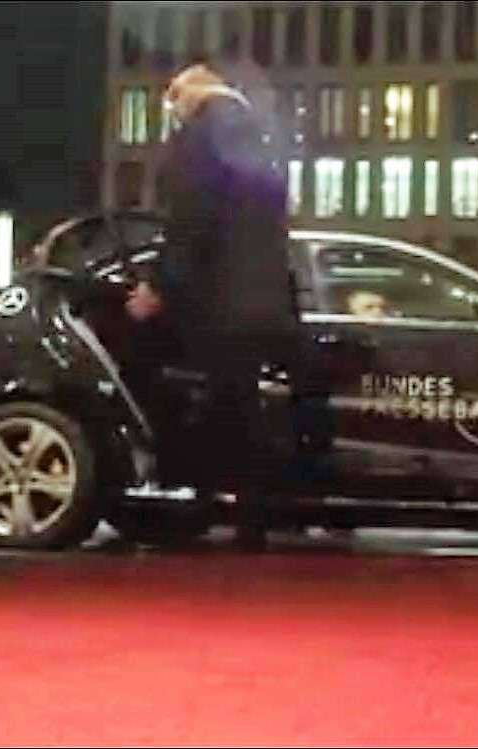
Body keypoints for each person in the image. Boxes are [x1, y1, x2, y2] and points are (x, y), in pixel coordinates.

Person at [157, 63, 299, 550]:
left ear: (186, 96)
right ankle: (253, 513)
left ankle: (204, 505)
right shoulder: (260, 136)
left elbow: (190, 223)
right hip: (265, 297)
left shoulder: (199, 139)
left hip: (218, 299)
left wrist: (160, 286)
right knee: (246, 404)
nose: (174, 115)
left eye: (173, 104)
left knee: (219, 404)